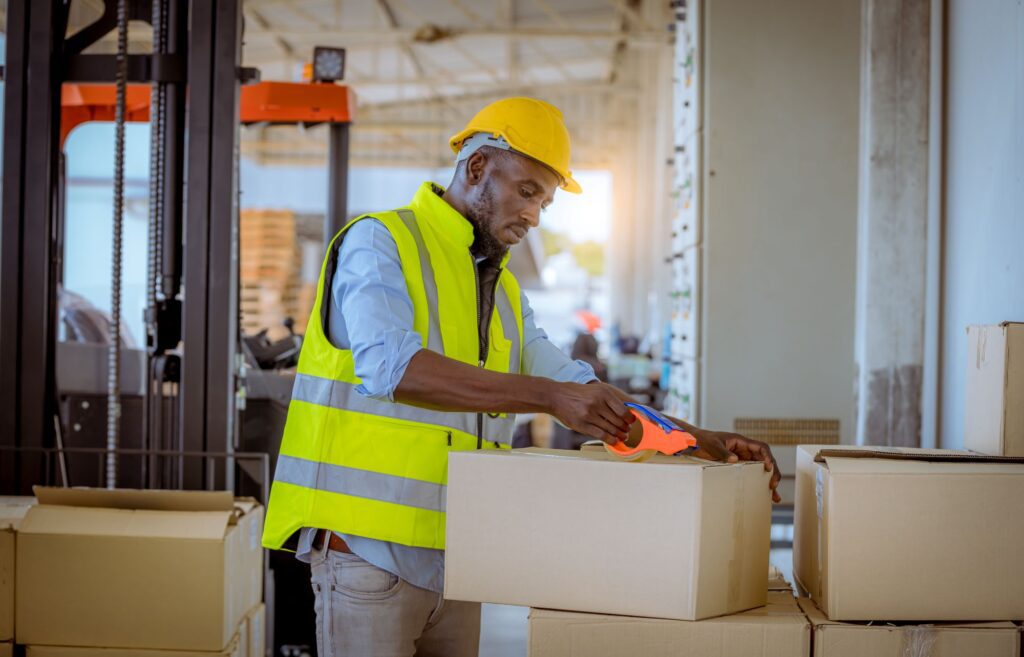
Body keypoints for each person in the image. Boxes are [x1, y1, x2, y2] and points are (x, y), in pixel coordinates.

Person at [262, 97, 781, 657]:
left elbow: (584, 395)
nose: (534, 215)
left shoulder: (504, 292)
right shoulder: (380, 242)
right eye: (527, 191)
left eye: (545, 202)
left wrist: (701, 442)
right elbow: (394, 367)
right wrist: (548, 397)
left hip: (460, 561)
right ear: (478, 166)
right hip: (367, 558)